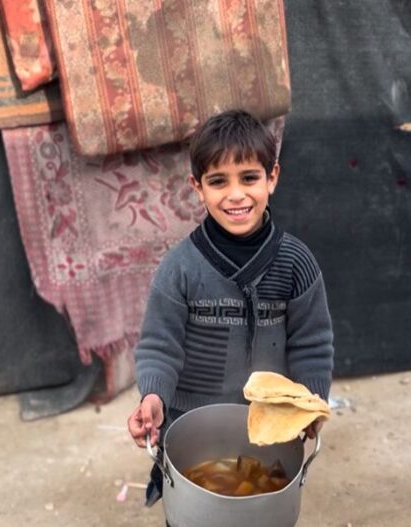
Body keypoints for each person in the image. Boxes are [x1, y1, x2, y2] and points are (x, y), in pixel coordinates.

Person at [126, 109, 334, 506]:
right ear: (197, 187)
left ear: (272, 177)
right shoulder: (180, 268)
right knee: (196, 510)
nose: (236, 194)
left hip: (271, 428)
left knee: (260, 507)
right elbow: (159, 346)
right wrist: (152, 399)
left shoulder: (296, 263)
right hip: (192, 426)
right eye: (218, 181)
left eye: (250, 178)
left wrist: (309, 401)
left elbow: (312, 342)